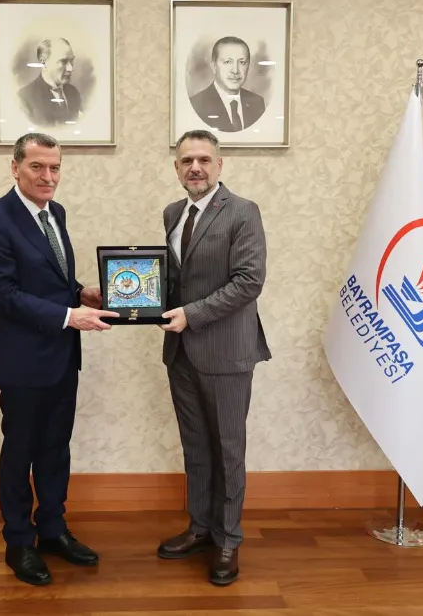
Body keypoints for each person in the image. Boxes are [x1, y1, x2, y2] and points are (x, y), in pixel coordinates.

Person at [0, 132, 118, 586]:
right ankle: (19, 541)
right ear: (15, 167)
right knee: (20, 452)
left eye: (54, 168)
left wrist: (81, 292)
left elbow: (49, 280)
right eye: (37, 167)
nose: (48, 176)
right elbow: (4, 293)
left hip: (61, 357)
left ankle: (53, 529)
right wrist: (69, 315)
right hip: (22, 361)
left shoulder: (56, 213)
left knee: (55, 449)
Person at [157, 129, 271, 586]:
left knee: (227, 449)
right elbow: (176, 280)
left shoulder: (243, 212)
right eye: (187, 160)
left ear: (219, 165)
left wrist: (191, 315)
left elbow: (249, 281)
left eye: (204, 159)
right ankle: (201, 528)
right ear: (177, 167)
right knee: (196, 446)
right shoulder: (172, 213)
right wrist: (131, 298)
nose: (195, 168)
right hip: (181, 352)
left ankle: (228, 540)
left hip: (226, 351)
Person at [189, 37, 266, 132]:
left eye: (242, 62)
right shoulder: (197, 104)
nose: (235, 70)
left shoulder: (257, 103)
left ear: (248, 66)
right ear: (214, 66)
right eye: (227, 62)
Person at [18, 38, 83, 126]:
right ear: (44, 63)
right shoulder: (24, 97)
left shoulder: (73, 92)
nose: (70, 68)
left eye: (71, 61)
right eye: (63, 62)